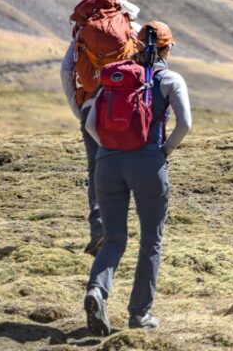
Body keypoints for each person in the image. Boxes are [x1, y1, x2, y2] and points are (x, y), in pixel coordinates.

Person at [82, 22, 192, 334]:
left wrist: (108, 149)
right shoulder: (169, 78)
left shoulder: (114, 77)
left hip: (107, 162)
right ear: (168, 48)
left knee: (114, 237)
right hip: (147, 162)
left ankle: (97, 291)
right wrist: (164, 151)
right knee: (151, 239)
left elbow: (90, 123)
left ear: (136, 44)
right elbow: (185, 123)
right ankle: (139, 315)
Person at [61, 0, 140, 256]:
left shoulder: (84, 31)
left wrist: (80, 108)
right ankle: (121, 229)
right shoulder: (134, 30)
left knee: (97, 168)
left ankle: (99, 227)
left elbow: (67, 71)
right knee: (129, 165)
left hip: (92, 105)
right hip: (128, 109)